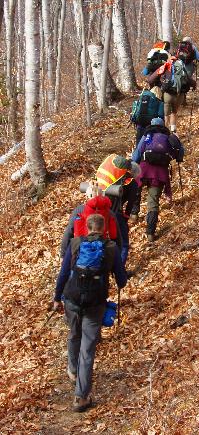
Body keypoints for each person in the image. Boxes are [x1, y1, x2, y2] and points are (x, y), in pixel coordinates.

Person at [53, 213, 127, 412]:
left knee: (74, 334)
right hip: (95, 303)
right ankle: (81, 397)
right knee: (87, 348)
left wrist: (56, 297)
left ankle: (72, 370)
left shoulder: (76, 243)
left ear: (87, 227)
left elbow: (63, 273)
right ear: (104, 229)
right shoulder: (111, 248)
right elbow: (122, 280)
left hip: (72, 298)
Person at [131, 117, 184, 241]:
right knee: (153, 202)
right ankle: (150, 233)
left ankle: (133, 214)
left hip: (143, 170)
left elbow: (137, 154)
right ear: (163, 126)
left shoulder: (147, 136)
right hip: (160, 173)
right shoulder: (169, 138)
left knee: (136, 190)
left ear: (151, 125)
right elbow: (180, 153)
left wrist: (133, 165)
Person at [60, 180, 122, 260]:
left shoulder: (79, 210)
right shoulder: (110, 213)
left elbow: (69, 232)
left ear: (87, 196)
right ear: (103, 195)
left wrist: (63, 255)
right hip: (102, 253)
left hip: (81, 252)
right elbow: (116, 237)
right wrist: (117, 256)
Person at [95, 154, 140, 264]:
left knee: (102, 240)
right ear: (133, 174)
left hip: (99, 209)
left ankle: (102, 266)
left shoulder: (113, 177)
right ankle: (119, 271)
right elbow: (130, 204)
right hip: (116, 213)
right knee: (123, 243)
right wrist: (126, 218)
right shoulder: (132, 184)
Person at [146, 56, 196, 133]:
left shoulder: (166, 66)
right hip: (180, 95)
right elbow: (189, 80)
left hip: (168, 95)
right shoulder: (181, 67)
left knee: (166, 115)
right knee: (174, 112)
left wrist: (155, 84)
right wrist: (194, 85)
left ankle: (166, 132)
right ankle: (173, 131)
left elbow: (151, 79)